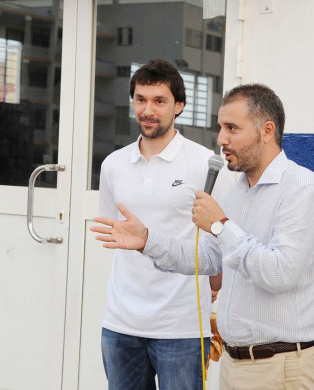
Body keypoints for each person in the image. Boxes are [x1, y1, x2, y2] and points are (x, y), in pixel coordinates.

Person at [91, 83, 314, 389]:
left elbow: (279, 273)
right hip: (235, 363)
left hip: (281, 366)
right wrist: (148, 240)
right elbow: (209, 257)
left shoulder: (300, 187)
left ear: (267, 131)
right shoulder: (241, 189)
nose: (221, 140)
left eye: (232, 128)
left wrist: (219, 225)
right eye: (220, 128)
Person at [97, 59, 226, 390]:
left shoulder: (204, 164)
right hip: (120, 322)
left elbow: (217, 246)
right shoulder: (113, 165)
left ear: (179, 106)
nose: (148, 110)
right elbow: (114, 231)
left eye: (159, 100)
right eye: (141, 99)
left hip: (179, 327)